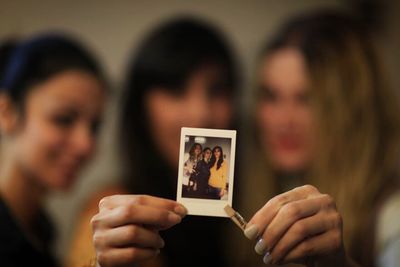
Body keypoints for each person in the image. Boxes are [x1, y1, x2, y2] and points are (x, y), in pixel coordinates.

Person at [68, 17, 238, 267]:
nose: (201, 113)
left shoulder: (252, 200)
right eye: (177, 91)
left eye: (217, 90)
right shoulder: (112, 213)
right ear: (141, 107)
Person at [234, 11, 400, 267]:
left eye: (306, 99)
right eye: (271, 96)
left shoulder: (392, 219)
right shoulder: (254, 192)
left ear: (352, 108)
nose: (283, 121)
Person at [0, 33, 108, 266]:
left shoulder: (41, 229)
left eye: (95, 127)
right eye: (64, 119)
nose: (86, 145)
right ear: (7, 113)